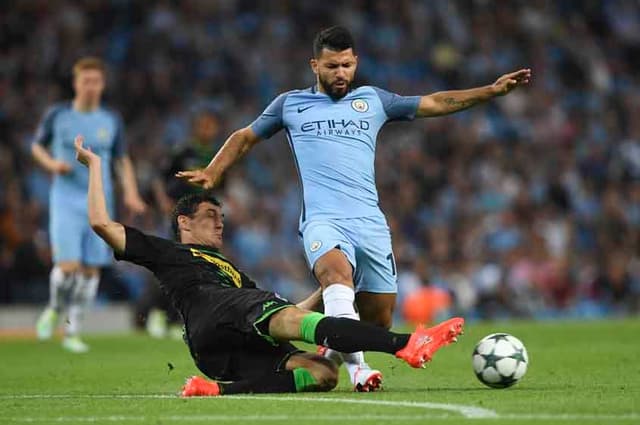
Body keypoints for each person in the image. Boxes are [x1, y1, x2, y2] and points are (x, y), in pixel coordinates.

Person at [177, 26, 530, 391]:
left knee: (376, 320)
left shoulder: (374, 100)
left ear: (355, 62)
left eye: (347, 65)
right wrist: (212, 170)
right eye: (332, 66)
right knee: (335, 276)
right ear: (315, 65)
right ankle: (359, 371)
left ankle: (326, 359)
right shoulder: (290, 104)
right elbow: (245, 136)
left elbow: (435, 102)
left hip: (370, 223)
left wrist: (491, 91)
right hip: (322, 219)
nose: (341, 73)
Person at [73, 134, 464, 395]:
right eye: (211, 214)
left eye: (221, 216)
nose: (220, 221)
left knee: (322, 375)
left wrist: (327, 290)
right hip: (215, 312)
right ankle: (405, 344)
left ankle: (217, 390)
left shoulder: (233, 273)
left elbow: (288, 314)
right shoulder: (168, 252)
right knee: (296, 325)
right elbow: (100, 223)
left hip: (217, 353)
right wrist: (92, 167)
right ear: (184, 222)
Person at [31, 57, 146, 353]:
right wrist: (52, 164)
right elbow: (36, 146)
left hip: (99, 201)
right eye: (86, 81)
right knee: (68, 266)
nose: (91, 86)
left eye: (96, 81)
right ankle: (55, 308)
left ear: (103, 84)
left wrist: (131, 192)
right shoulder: (58, 115)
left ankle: (73, 331)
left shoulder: (110, 120)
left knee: (92, 270)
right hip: (66, 201)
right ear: (76, 83)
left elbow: (121, 159)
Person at [137, 105, 223, 338]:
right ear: (196, 127)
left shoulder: (217, 156)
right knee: (172, 263)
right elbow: (158, 176)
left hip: (201, 220)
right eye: (204, 125)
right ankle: (155, 313)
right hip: (180, 215)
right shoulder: (183, 151)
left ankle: (177, 319)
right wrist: (164, 201)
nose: (208, 129)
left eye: (212, 125)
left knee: (194, 269)